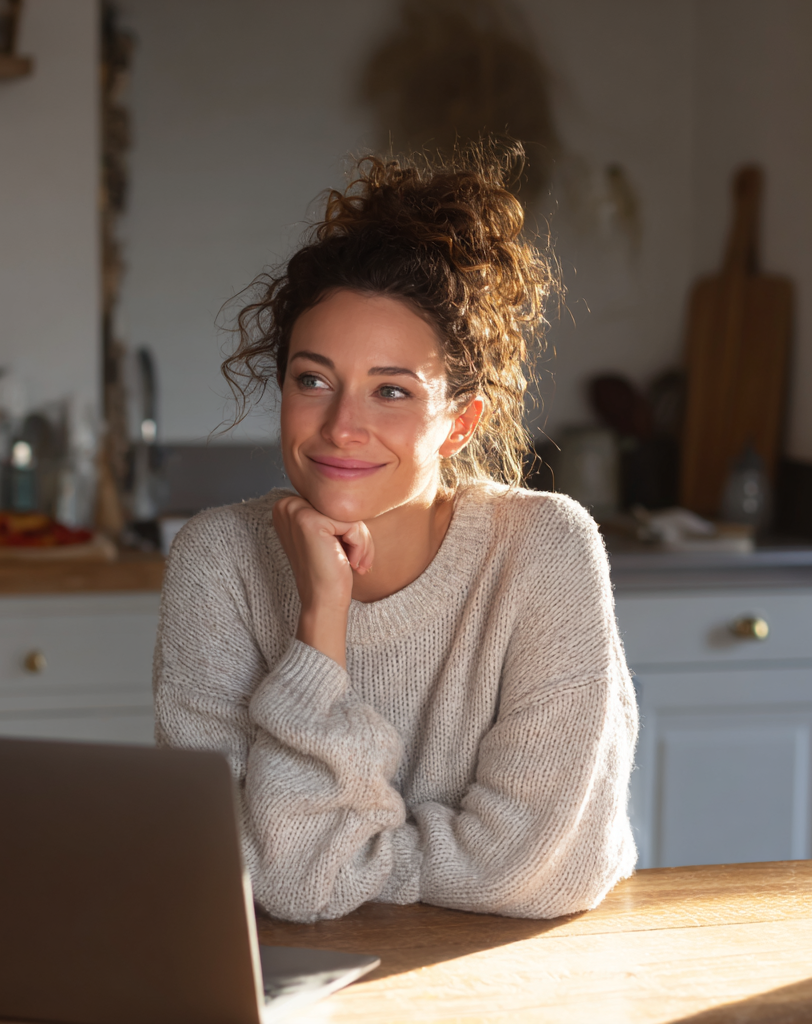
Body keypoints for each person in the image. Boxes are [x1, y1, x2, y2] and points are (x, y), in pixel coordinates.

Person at [153, 148, 638, 924]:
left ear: (460, 421)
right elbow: (226, 864)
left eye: (392, 391)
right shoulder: (218, 561)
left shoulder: (544, 548)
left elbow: (541, 870)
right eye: (313, 380)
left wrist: (335, 860)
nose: (342, 426)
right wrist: (321, 627)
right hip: (292, 983)